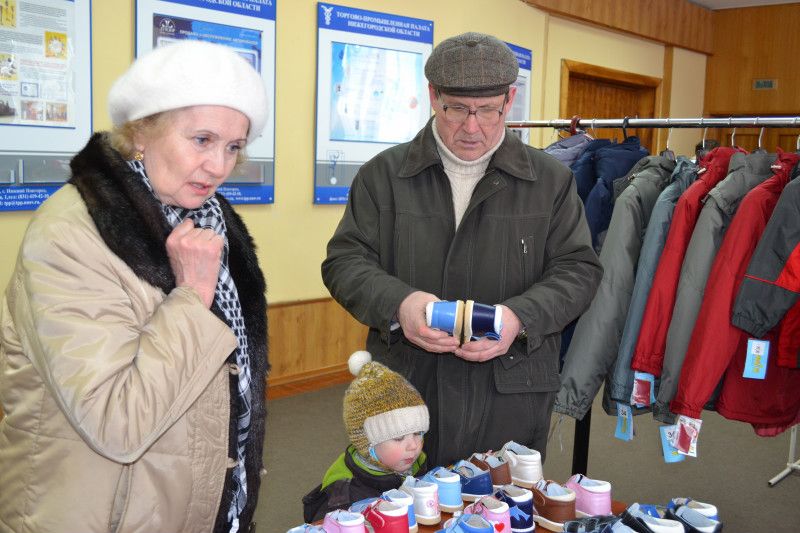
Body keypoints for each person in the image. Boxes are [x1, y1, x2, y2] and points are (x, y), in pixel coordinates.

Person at [0, 41, 269, 533]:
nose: (219, 166)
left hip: (185, 506)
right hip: (98, 513)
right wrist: (190, 297)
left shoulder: (207, 221)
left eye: (233, 147)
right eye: (202, 140)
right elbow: (117, 422)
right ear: (142, 132)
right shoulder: (71, 233)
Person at [322, 32, 603, 468]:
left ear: (509, 101)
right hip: (408, 392)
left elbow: (579, 270)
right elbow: (344, 262)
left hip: (510, 389)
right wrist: (401, 304)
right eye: (456, 108)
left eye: (487, 110)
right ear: (433, 97)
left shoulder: (551, 182)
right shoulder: (383, 175)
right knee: (401, 512)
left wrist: (519, 318)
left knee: (500, 510)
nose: (472, 127)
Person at [302, 351, 429, 523]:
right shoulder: (342, 495)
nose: (413, 446)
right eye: (399, 438)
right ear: (367, 444)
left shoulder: (416, 462)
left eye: (418, 433)